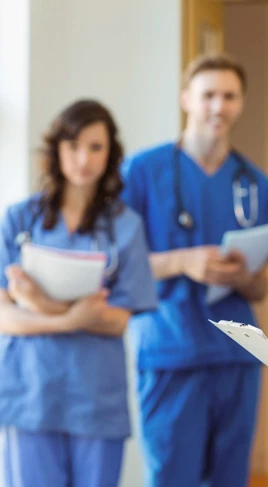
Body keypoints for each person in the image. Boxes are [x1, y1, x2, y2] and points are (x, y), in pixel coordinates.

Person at [121, 53, 268, 487]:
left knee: (231, 479)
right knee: (172, 477)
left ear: (241, 103)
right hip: (170, 351)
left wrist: (242, 276)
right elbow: (116, 264)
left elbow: (261, 288)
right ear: (186, 99)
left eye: (229, 96)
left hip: (237, 354)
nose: (219, 106)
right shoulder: (143, 170)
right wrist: (183, 261)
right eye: (208, 95)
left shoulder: (254, 182)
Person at [0, 100, 157, 487]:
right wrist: (73, 317)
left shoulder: (126, 226)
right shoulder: (19, 220)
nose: (83, 158)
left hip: (95, 398)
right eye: (72, 145)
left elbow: (117, 321)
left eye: (95, 146)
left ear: (111, 153)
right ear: (56, 150)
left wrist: (39, 304)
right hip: (30, 393)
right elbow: (4, 317)